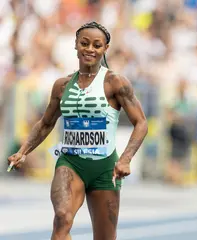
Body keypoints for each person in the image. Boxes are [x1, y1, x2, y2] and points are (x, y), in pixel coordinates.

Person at [7, 21, 148, 240]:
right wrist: (23, 151)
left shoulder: (115, 82)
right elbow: (46, 123)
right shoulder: (62, 86)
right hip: (70, 163)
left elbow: (141, 123)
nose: (90, 49)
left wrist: (126, 159)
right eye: (84, 43)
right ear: (75, 45)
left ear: (105, 49)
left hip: (105, 169)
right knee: (62, 218)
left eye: (97, 45)